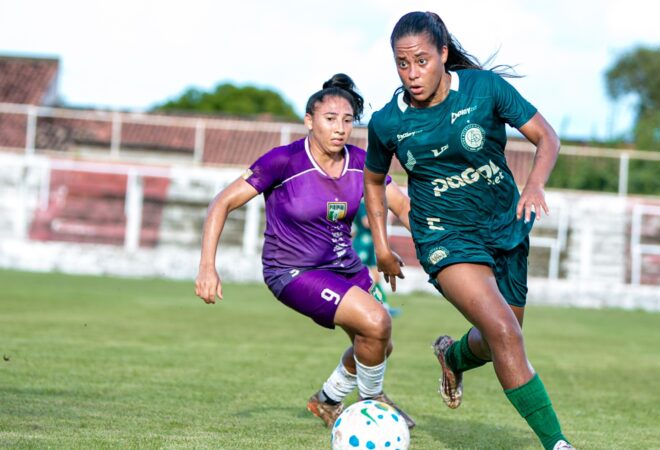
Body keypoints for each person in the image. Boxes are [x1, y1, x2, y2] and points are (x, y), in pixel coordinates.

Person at [363, 11, 573, 450]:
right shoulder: (388, 122)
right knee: (503, 331)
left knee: (503, 335)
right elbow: (372, 180)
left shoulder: (483, 90)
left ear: (443, 54)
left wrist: (533, 184)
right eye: (402, 64)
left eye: (421, 60)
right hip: (444, 237)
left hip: (505, 226)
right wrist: (382, 246)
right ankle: (558, 444)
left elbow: (546, 137)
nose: (412, 73)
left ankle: (452, 355)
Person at [195, 74, 415, 430]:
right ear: (309, 121)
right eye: (330, 119)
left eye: (347, 120)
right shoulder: (283, 162)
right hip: (292, 272)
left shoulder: (362, 162)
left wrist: (440, 246)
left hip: (344, 267)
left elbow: (402, 208)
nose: (340, 128)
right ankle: (373, 405)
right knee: (378, 322)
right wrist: (207, 266)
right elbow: (221, 203)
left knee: (376, 344)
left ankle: (327, 400)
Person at [351, 199, 401, 317]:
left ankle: (384, 306)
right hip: (362, 244)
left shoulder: (369, 203)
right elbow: (366, 222)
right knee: (356, 275)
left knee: (376, 276)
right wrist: (383, 218)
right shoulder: (362, 203)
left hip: (371, 244)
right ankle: (353, 303)